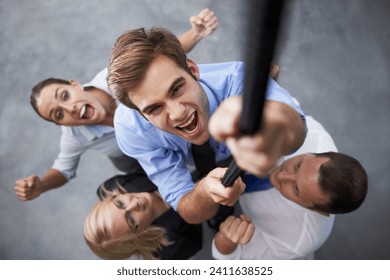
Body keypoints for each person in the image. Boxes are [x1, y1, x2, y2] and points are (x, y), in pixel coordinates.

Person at [14, 8, 219, 201]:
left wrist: (196, 33)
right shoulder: (74, 136)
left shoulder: (113, 80)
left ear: (75, 85)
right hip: (138, 161)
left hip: (175, 135)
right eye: (58, 114)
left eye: (65, 96)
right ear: (60, 124)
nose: (70, 108)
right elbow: (62, 169)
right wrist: (41, 185)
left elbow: (157, 60)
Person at [106, 27, 307, 224]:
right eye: (154, 108)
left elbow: (297, 130)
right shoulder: (131, 129)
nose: (178, 114)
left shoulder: (240, 81)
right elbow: (185, 207)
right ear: (140, 113)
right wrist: (203, 193)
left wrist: (274, 121)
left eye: (176, 89)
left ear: (193, 70)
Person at [210, 113, 368, 259]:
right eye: (298, 165)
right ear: (315, 152)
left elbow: (234, 261)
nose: (281, 175)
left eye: (296, 189)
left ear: (315, 210)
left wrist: (227, 239)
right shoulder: (311, 135)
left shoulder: (296, 240)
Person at [84, 173, 202, 260]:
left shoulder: (114, 186)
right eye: (131, 220)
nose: (134, 204)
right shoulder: (174, 248)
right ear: (138, 237)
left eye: (120, 203)